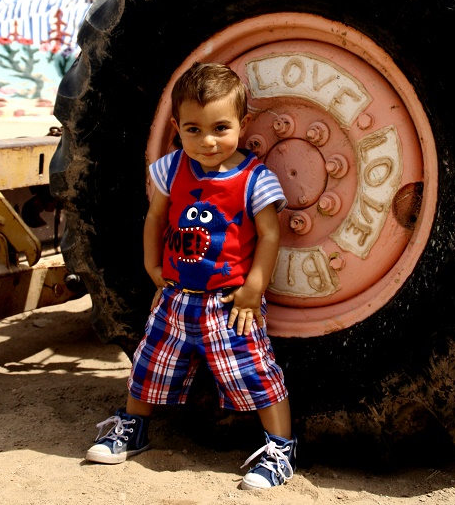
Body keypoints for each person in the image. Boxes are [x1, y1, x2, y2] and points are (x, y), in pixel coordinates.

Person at [86, 62, 297, 489]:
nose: (207, 141)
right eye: (193, 129)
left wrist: (253, 289)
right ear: (177, 128)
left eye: (221, 127)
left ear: (244, 124)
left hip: (229, 302)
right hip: (177, 297)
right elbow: (156, 218)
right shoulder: (170, 169)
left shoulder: (255, 178)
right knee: (149, 365)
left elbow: (270, 235)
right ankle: (133, 427)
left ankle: (280, 448)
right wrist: (151, 266)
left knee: (255, 371)